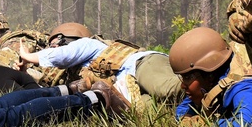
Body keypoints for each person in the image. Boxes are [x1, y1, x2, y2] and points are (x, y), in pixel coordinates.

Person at [18, 25, 182, 108]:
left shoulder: (87, 45)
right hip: (132, 87)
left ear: (68, 39)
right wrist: (25, 72)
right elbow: (49, 90)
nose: (51, 48)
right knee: (154, 113)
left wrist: (28, 56)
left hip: (143, 64)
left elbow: (62, 56)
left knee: (169, 89)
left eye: (55, 44)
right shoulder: (79, 70)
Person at [169, 27, 252, 127]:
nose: (183, 85)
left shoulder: (244, 84)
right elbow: (185, 107)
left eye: (187, 78)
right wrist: (186, 120)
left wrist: (206, 126)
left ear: (209, 75)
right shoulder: (211, 76)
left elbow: (247, 126)